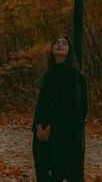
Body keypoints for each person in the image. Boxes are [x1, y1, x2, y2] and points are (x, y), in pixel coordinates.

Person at [32, 35, 88, 182]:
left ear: (69, 51)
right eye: (56, 42)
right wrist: (38, 126)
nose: (59, 45)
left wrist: (52, 127)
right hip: (43, 132)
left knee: (63, 173)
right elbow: (41, 103)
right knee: (42, 169)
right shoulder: (48, 75)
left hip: (67, 134)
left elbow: (75, 109)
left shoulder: (75, 76)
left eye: (64, 43)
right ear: (52, 49)